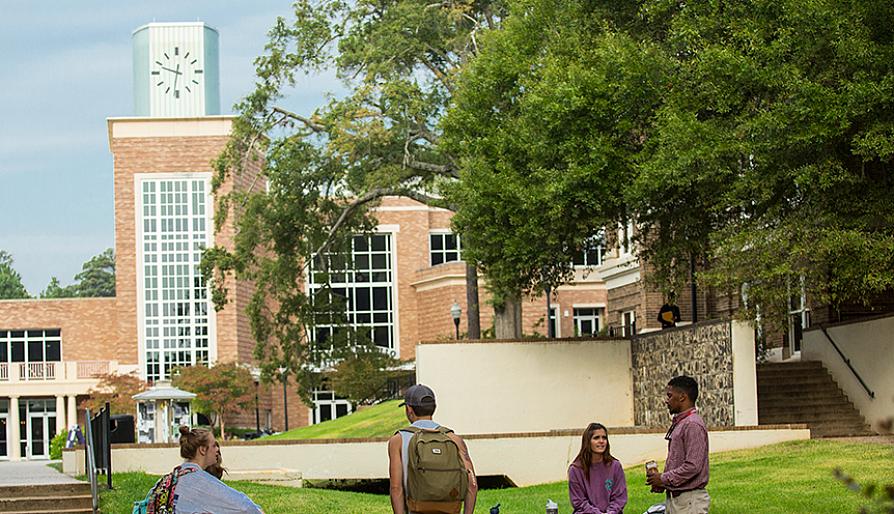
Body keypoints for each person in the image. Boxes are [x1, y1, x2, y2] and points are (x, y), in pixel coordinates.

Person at [388, 384, 478, 514]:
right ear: (434, 408)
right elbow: (472, 484)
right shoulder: (454, 439)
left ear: (409, 409)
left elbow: (396, 488)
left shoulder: (398, 440)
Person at [646, 376, 710, 514]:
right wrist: (663, 483)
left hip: (689, 502)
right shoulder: (681, 423)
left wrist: (663, 478)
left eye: (669, 396)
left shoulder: (692, 424)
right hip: (677, 500)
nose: (666, 400)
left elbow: (693, 466)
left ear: (682, 397)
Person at [171, 426, 263, 513]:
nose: (217, 449)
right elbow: (245, 507)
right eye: (214, 446)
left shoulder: (170, 479)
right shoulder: (202, 482)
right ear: (202, 450)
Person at [568, 422, 628, 514]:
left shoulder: (615, 466)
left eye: (604, 438)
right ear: (588, 441)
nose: (601, 441)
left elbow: (620, 497)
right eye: (596, 438)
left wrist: (611, 512)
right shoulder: (575, 469)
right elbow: (579, 502)